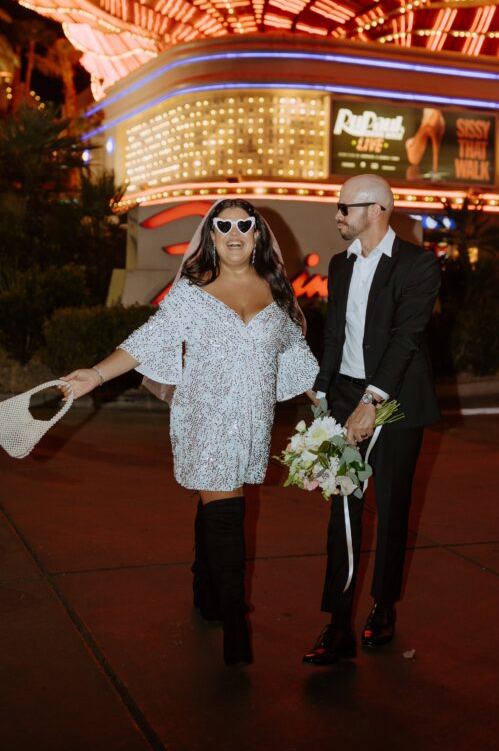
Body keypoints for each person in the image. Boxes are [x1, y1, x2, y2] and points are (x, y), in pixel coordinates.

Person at [61, 199, 318, 667]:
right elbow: (147, 340)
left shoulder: (277, 295)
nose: (235, 232)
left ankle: (206, 588)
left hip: (251, 422)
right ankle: (236, 627)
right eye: (224, 225)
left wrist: (334, 413)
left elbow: (298, 360)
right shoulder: (191, 294)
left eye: (245, 224)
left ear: (257, 235)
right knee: (228, 514)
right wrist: (95, 375)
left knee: (218, 504)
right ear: (212, 236)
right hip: (204, 417)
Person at [303, 174, 441, 666]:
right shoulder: (341, 265)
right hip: (343, 395)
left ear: (378, 209)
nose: (337, 214)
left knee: (394, 505)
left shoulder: (418, 265)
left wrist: (373, 399)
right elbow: (335, 332)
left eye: (346, 206)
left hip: (397, 401)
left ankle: (383, 607)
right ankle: (338, 622)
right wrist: (322, 387)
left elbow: (406, 338)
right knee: (342, 506)